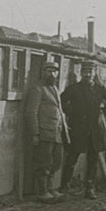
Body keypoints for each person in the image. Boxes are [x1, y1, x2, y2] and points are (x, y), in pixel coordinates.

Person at [60, 61, 106, 199]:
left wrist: (104, 111)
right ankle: (64, 187)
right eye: (85, 72)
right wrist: (70, 112)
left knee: (93, 159)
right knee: (72, 158)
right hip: (77, 129)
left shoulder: (99, 89)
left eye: (90, 72)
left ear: (94, 73)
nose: (88, 74)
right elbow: (61, 101)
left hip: (94, 130)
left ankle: (90, 188)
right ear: (81, 73)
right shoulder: (73, 89)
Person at [22, 61, 69, 203]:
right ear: (43, 72)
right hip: (44, 132)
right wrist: (35, 133)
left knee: (56, 162)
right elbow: (31, 112)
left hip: (57, 133)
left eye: (55, 71)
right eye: (49, 71)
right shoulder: (37, 89)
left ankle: (50, 188)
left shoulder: (55, 88)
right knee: (44, 163)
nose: (52, 74)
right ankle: (42, 192)